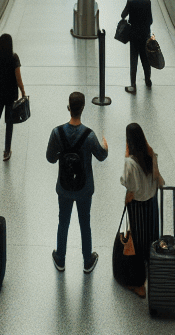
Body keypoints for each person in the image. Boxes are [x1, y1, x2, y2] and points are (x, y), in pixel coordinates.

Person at [47, 91, 108, 274]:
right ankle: (87, 260)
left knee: (63, 221)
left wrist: (61, 154)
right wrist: (105, 146)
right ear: (82, 109)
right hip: (84, 188)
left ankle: (60, 258)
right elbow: (102, 155)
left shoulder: (57, 132)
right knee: (84, 222)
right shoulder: (89, 135)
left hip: (64, 187)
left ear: (69, 107)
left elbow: (50, 158)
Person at [120, 122, 164, 298]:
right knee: (151, 236)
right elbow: (157, 177)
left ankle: (139, 285)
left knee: (136, 242)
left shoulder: (130, 163)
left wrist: (126, 201)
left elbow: (130, 187)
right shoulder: (151, 154)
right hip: (151, 203)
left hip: (137, 205)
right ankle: (154, 269)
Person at [0, 33, 25, 162]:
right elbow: (18, 77)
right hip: (11, 95)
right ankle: (7, 151)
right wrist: (23, 92)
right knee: (9, 123)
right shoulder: (14, 58)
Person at [120, 0, 153, 94]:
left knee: (133, 60)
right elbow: (150, 20)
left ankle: (133, 84)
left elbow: (123, 15)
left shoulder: (131, 1)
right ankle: (148, 80)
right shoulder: (147, 1)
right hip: (144, 35)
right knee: (145, 59)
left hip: (134, 35)